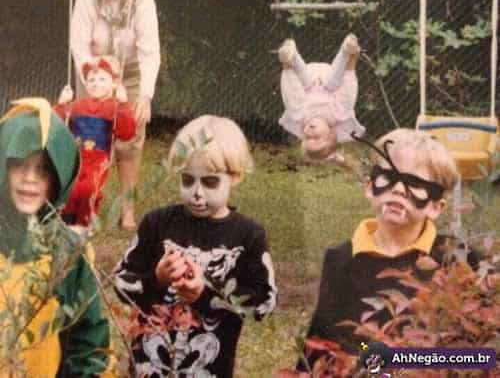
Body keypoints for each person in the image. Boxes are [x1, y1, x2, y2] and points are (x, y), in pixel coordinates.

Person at [114, 115, 277, 377]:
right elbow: (120, 282)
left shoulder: (248, 236)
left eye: (210, 182)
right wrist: (157, 279)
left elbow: (264, 303)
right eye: (187, 180)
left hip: (209, 368)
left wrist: (206, 295)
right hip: (149, 367)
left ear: (235, 176)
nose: (197, 192)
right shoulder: (157, 223)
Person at [299, 128, 472, 372]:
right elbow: (324, 339)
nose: (399, 189)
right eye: (388, 176)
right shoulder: (341, 260)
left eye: (414, 183)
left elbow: (478, 355)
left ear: (435, 207)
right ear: (370, 187)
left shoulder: (458, 258)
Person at [0, 98, 110, 377]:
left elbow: (87, 342)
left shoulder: (67, 251)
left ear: (60, 175)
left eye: (43, 168)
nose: (30, 178)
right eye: (20, 164)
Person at [71, 0, 161, 231]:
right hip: (93, 72)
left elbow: (150, 51)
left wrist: (145, 95)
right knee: (90, 138)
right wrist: (96, 80)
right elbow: (79, 45)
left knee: (129, 141)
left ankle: (127, 210)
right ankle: (84, 205)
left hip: (130, 73)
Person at [54, 56, 136, 226]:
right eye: (91, 80)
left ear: (114, 83)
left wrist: (124, 104)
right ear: (86, 84)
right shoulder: (77, 105)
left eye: (102, 79)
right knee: (71, 186)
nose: (96, 84)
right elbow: (57, 125)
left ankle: (85, 221)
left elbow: (126, 133)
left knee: (89, 188)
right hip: (76, 158)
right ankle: (67, 218)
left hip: (98, 160)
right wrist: (61, 105)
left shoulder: (115, 106)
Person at [278, 33, 365, 161]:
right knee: (332, 84)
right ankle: (346, 50)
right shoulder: (338, 115)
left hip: (308, 78)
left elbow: (292, 91)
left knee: (294, 109)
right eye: (316, 138)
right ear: (331, 134)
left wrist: (287, 68)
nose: (309, 133)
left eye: (306, 138)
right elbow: (348, 90)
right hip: (328, 77)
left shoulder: (301, 116)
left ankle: (290, 56)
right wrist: (351, 64)